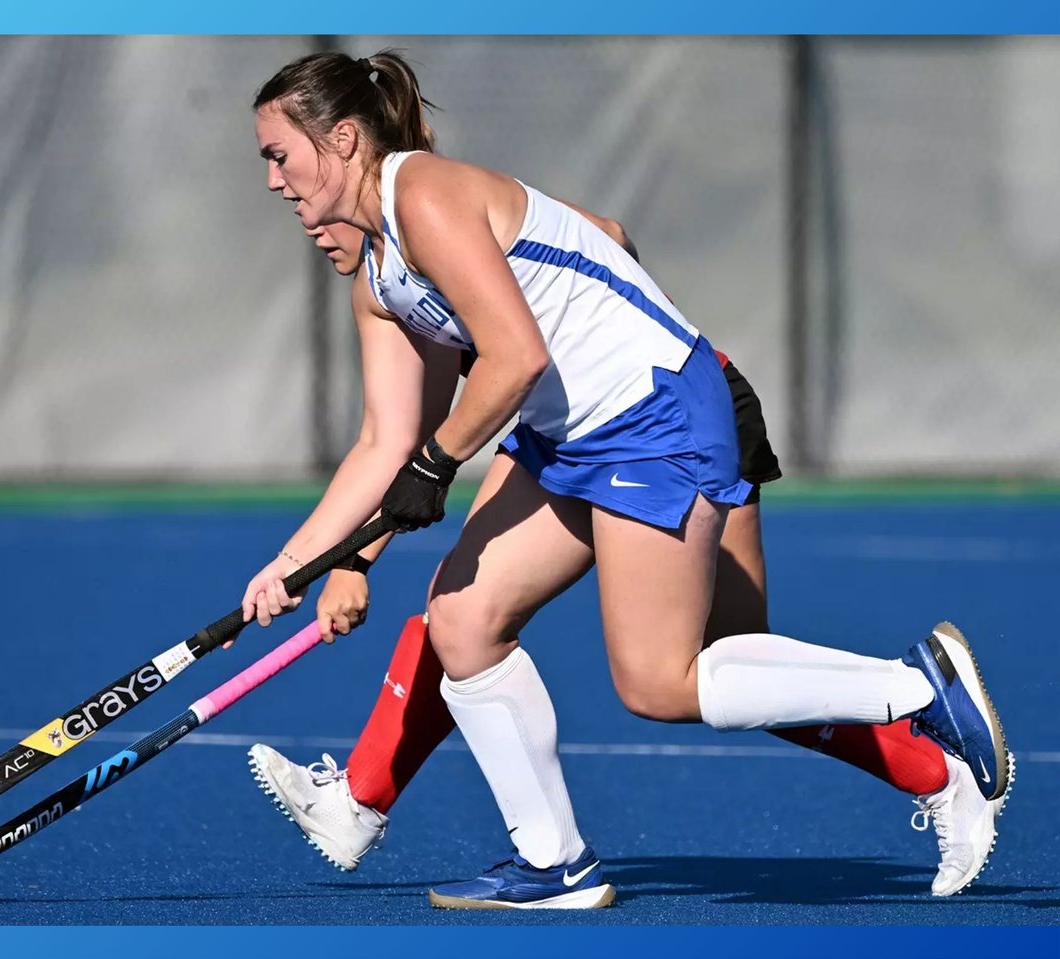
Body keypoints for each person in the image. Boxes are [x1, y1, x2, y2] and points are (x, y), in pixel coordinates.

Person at [241, 50, 1012, 909]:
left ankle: (916, 689)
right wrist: (295, 562)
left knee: (663, 680)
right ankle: (555, 867)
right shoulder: (377, 279)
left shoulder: (424, 195)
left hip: (653, 418)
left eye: (279, 153)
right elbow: (385, 442)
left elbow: (518, 358)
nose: (272, 179)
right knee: (462, 621)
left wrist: (445, 456)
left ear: (343, 138)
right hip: (569, 437)